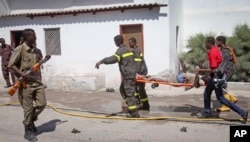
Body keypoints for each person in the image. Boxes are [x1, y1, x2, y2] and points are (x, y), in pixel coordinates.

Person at [196, 36, 248, 124]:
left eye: (206, 43)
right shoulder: (216, 49)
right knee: (207, 94)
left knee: (220, 98)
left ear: (209, 43)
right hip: (217, 77)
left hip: (216, 77)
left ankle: (242, 112)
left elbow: (214, 69)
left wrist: (200, 70)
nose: (205, 45)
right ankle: (207, 112)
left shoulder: (214, 52)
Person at [8, 29, 47, 141]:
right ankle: (28, 130)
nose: (35, 38)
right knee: (28, 108)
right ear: (26, 38)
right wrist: (22, 74)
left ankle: (29, 120)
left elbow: (36, 66)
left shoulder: (35, 50)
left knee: (42, 104)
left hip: (36, 81)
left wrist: (44, 60)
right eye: (32, 36)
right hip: (25, 84)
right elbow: (11, 65)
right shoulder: (19, 49)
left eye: (35, 36)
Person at [95, 35, 140, 117]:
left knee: (129, 93)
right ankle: (132, 106)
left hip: (128, 76)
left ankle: (134, 113)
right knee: (122, 89)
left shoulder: (121, 51)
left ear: (118, 42)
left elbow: (113, 59)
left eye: (115, 42)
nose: (115, 43)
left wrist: (101, 62)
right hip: (129, 75)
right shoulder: (127, 49)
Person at [216, 35, 238, 112]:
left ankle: (226, 106)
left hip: (227, 71)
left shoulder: (225, 51)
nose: (216, 43)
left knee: (222, 86)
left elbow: (225, 62)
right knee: (223, 85)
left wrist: (220, 71)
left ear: (221, 42)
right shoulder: (226, 48)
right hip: (228, 70)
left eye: (217, 41)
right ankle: (232, 98)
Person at [128, 37, 150, 111]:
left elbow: (138, 64)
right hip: (139, 73)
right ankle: (139, 103)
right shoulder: (134, 51)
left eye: (130, 42)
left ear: (134, 43)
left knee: (141, 89)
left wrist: (136, 74)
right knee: (136, 90)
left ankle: (145, 105)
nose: (129, 44)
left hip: (140, 73)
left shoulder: (136, 51)